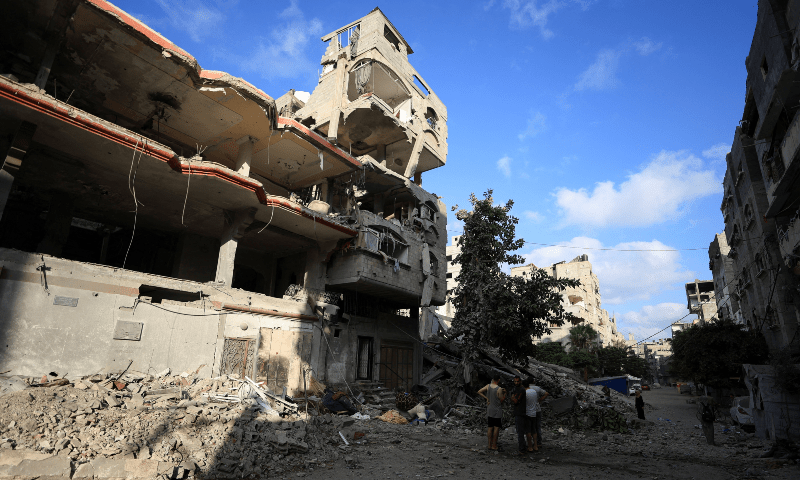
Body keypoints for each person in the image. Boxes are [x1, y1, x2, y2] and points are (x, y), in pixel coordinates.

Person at [477, 375, 506, 451]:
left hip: (490, 409)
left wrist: (486, 398)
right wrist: (505, 393)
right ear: (498, 380)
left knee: (490, 427)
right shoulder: (499, 389)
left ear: (493, 379)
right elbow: (501, 400)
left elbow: (479, 391)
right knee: (496, 428)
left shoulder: (488, 386)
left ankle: (489, 445)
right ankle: (494, 445)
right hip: (497, 410)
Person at [524, 378, 549, 451]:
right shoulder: (536, 389)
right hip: (537, 409)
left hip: (528, 411)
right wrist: (540, 400)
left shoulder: (525, 391)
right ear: (533, 381)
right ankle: (538, 443)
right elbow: (546, 393)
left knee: (528, 429)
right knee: (537, 427)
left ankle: (530, 445)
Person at [509, 376, 528, 453]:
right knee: (520, 431)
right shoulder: (515, 389)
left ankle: (522, 449)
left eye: (517, 381)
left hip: (521, 412)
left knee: (520, 431)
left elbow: (515, 401)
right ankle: (523, 446)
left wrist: (513, 397)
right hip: (518, 412)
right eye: (515, 381)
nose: (516, 383)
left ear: (520, 381)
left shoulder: (521, 390)